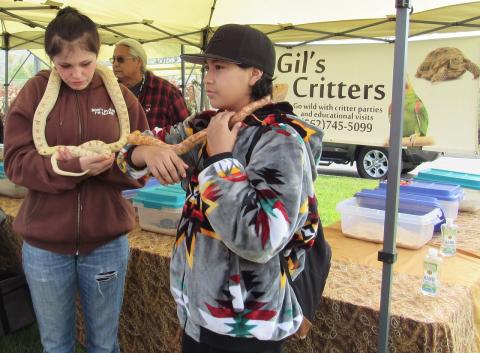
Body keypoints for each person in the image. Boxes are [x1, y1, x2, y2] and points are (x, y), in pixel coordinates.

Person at [118, 24, 323, 353]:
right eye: (207, 67)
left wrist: (221, 160)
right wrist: (148, 152)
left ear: (255, 73)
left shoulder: (282, 141)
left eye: (220, 68)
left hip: (247, 325)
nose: (208, 77)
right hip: (198, 311)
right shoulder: (203, 124)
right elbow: (125, 150)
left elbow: (260, 239)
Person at [3, 7, 151, 353]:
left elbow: (138, 157)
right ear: (51, 59)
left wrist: (108, 167)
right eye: (65, 66)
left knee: (103, 344)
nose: (77, 74)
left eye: (85, 63)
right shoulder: (34, 93)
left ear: (97, 54)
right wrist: (68, 167)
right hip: (44, 245)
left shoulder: (122, 98)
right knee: (56, 344)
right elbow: (16, 162)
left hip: (105, 243)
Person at [112, 38, 190, 130]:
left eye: (120, 59)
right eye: (113, 59)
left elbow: (188, 131)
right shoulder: (109, 92)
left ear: (138, 61)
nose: (115, 64)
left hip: (156, 144)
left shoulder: (167, 92)